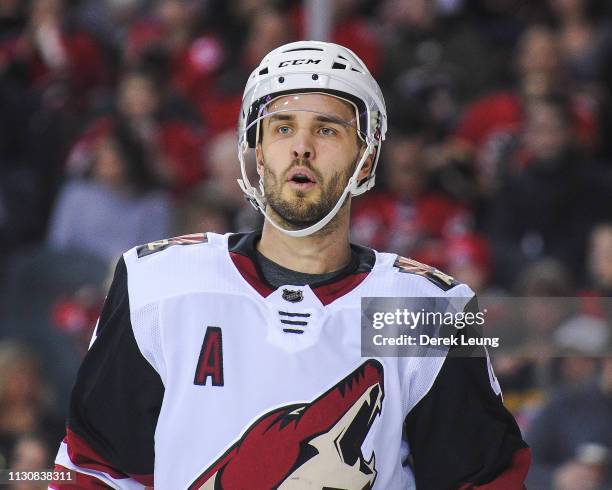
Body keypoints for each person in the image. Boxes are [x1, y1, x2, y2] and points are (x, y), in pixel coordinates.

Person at [51, 41, 529, 489]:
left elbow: (484, 480)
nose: (302, 147)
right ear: (257, 152)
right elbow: (94, 470)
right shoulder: (159, 284)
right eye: (282, 128)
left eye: (326, 129)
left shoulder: (426, 311)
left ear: (365, 159)